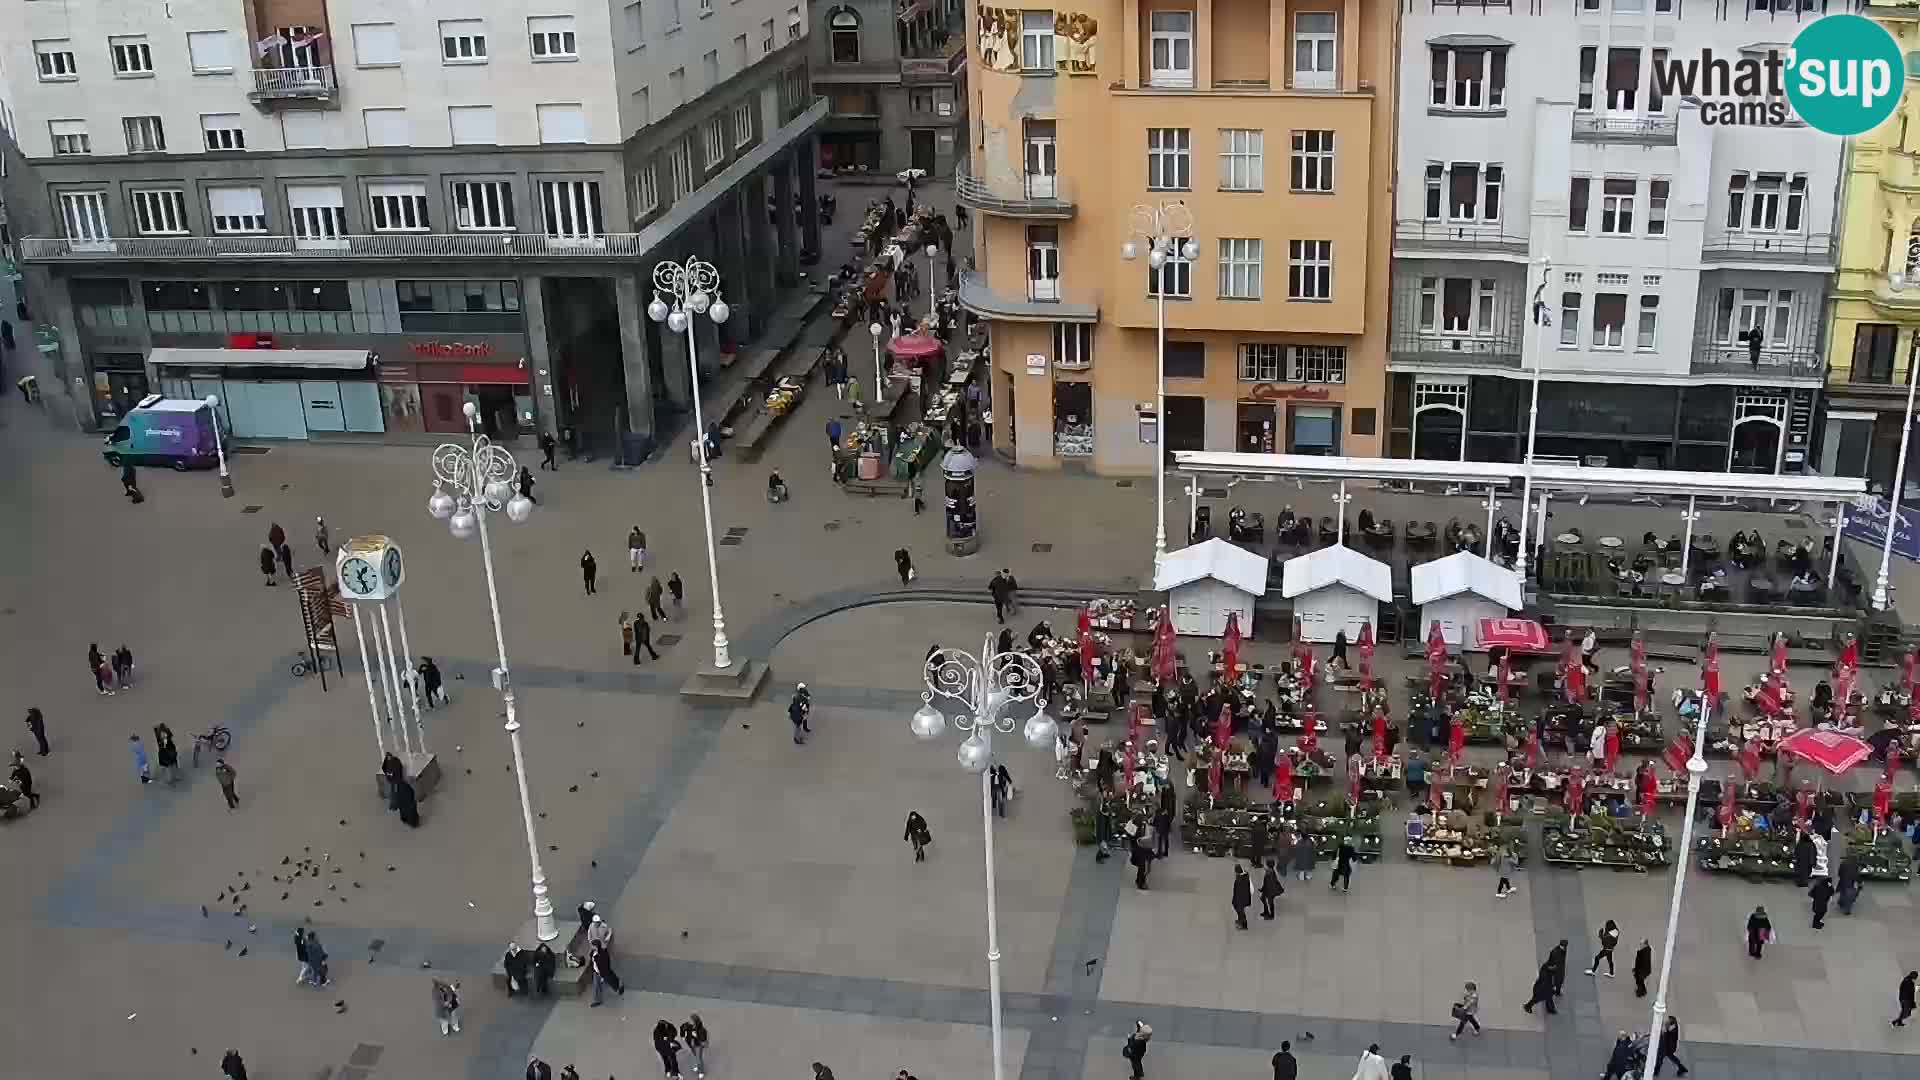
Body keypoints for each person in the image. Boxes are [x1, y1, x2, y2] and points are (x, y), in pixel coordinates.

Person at [589, 940, 624, 1005]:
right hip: (596, 972)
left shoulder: (603, 953)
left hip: (605, 973)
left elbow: (606, 964)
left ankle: (619, 986)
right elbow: (593, 962)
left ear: (596, 946)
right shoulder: (592, 953)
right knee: (596, 986)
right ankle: (597, 1000)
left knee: (612, 981)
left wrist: (602, 975)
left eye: (592, 946)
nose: (591, 947)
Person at [1231, 864, 1252, 929]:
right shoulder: (1243, 877)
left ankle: (1244, 925)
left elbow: (1238, 891)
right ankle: (1240, 921)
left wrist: (1235, 900)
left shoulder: (1239, 879)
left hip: (1240, 899)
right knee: (1240, 910)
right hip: (1243, 898)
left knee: (1240, 911)